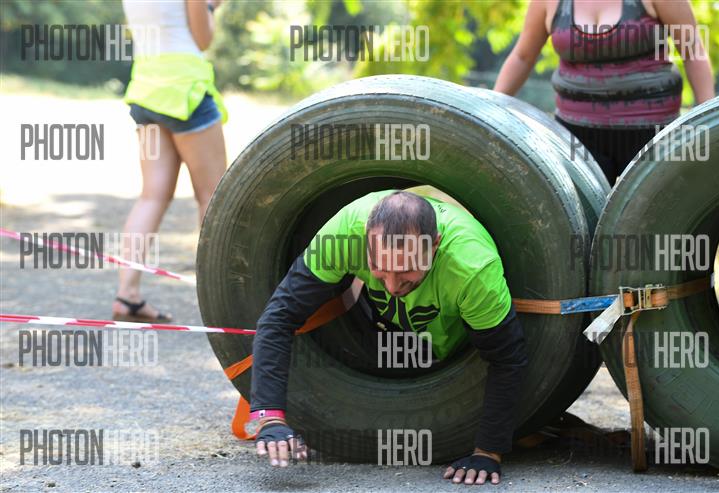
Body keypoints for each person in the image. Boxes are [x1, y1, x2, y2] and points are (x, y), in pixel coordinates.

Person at [250, 190, 528, 486]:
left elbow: (507, 358)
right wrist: (270, 416)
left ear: (434, 245)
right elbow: (279, 318)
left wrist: (488, 451)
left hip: (459, 339)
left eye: (407, 271)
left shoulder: (472, 265)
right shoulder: (344, 234)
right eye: (380, 270)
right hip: (381, 331)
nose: (393, 286)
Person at [494, 0, 715, 185]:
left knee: (654, 219)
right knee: (580, 220)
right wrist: (489, 110)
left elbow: (693, 51)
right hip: (576, 138)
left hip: (652, 136)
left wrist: (710, 123)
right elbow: (522, 57)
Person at [113, 0, 227, 322]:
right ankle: (220, 299)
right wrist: (210, 6)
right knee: (214, 197)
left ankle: (127, 295)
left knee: (151, 196)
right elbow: (203, 39)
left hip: (146, 91)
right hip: (185, 91)